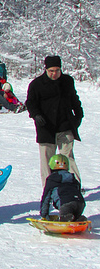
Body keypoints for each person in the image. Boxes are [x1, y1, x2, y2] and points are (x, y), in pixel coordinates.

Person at [26, 55, 83, 188]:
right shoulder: (36, 84)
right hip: (46, 127)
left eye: (57, 70)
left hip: (65, 125)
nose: (54, 73)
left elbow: (74, 99)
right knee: (47, 160)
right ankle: (49, 188)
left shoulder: (67, 81)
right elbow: (31, 102)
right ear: (46, 69)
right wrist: (36, 115)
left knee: (67, 158)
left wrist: (78, 115)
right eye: (51, 70)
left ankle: (74, 186)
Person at [40, 154, 85, 222]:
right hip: (80, 203)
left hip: (66, 204)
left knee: (65, 216)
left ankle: (65, 218)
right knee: (73, 216)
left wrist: (44, 215)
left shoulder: (52, 179)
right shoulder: (72, 178)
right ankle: (78, 219)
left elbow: (46, 198)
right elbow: (78, 189)